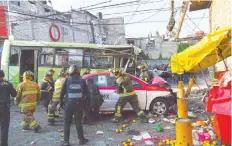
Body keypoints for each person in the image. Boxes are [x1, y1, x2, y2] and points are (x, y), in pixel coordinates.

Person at [60, 64, 90, 146]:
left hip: (69, 105)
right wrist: (87, 104)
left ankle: (66, 141)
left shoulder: (67, 80)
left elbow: (62, 93)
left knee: (67, 122)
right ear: (78, 71)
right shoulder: (82, 81)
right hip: (79, 105)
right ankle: (81, 140)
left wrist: (61, 103)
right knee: (78, 122)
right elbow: (88, 94)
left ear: (71, 70)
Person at [0, 70, 17, 146]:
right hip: (4, 108)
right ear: (3, 76)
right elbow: (14, 94)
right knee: (4, 127)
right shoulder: (8, 84)